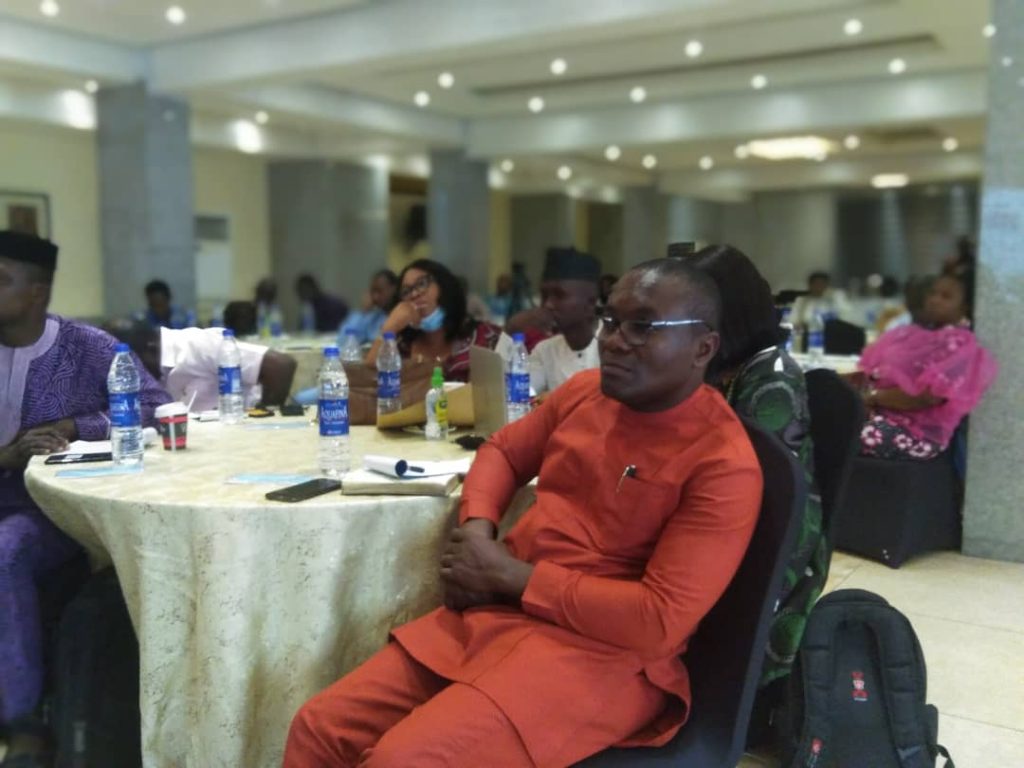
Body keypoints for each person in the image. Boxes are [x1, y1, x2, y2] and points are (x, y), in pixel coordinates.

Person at [284, 259, 763, 768]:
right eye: (612, 321)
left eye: (642, 327)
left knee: (401, 761)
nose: (616, 341)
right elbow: (502, 453)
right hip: (497, 618)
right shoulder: (585, 393)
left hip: (601, 657)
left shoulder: (723, 465)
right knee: (319, 729)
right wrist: (477, 534)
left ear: (703, 349)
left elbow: (656, 620)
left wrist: (511, 576)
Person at [0, 231, 169, 764]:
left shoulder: (85, 347)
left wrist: (77, 424)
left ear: (36, 292)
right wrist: (8, 455)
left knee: (5, 552)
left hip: (50, 511)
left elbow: (156, 407)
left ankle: (23, 722)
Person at [686, 243, 826, 691]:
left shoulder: (774, 377)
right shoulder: (723, 368)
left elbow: (761, 489)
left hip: (775, 550)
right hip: (736, 525)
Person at [856, 270, 997, 460]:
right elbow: (872, 374)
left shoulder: (961, 345)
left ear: (964, 307)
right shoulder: (909, 334)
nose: (935, 300)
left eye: (946, 297)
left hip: (917, 433)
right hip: (881, 417)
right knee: (823, 423)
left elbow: (928, 397)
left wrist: (872, 398)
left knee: (841, 436)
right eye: (933, 293)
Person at [365, 259, 513, 382]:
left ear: (444, 286)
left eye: (422, 284)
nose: (415, 294)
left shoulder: (485, 336)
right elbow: (369, 376)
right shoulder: (401, 345)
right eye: (406, 291)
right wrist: (389, 327)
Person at [110, 321, 297, 411]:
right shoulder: (151, 371)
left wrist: (259, 419)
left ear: (149, 348)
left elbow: (281, 366)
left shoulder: (198, 345)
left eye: (130, 364)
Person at [529, 247, 602, 395]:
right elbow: (519, 395)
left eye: (559, 295)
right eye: (544, 296)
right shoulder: (545, 351)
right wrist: (511, 330)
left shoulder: (616, 348)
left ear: (590, 303)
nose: (548, 305)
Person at [338, 270, 398, 344]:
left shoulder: (401, 315)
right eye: (373, 291)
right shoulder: (374, 316)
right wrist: (363, 312)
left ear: (394, 289)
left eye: (379, 291)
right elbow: (343, 341)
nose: (375, 297)